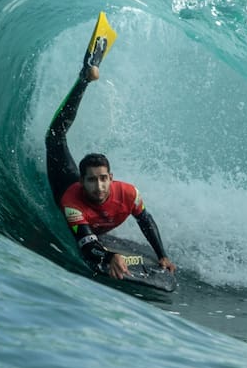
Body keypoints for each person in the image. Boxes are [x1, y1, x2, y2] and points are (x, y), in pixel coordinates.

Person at [45, 44, 176, 280]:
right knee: (54, 136)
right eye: (92, 180)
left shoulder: (129, 194)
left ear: (111, 178)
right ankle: (84, 79)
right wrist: (108, 257)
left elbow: (145, 220)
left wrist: (162, 255)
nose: (100, 186)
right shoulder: (72, 203)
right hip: (64, 183)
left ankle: (85, 77)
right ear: (83, 183)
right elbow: (85, 245)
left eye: (103, 179)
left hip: (97, 227)